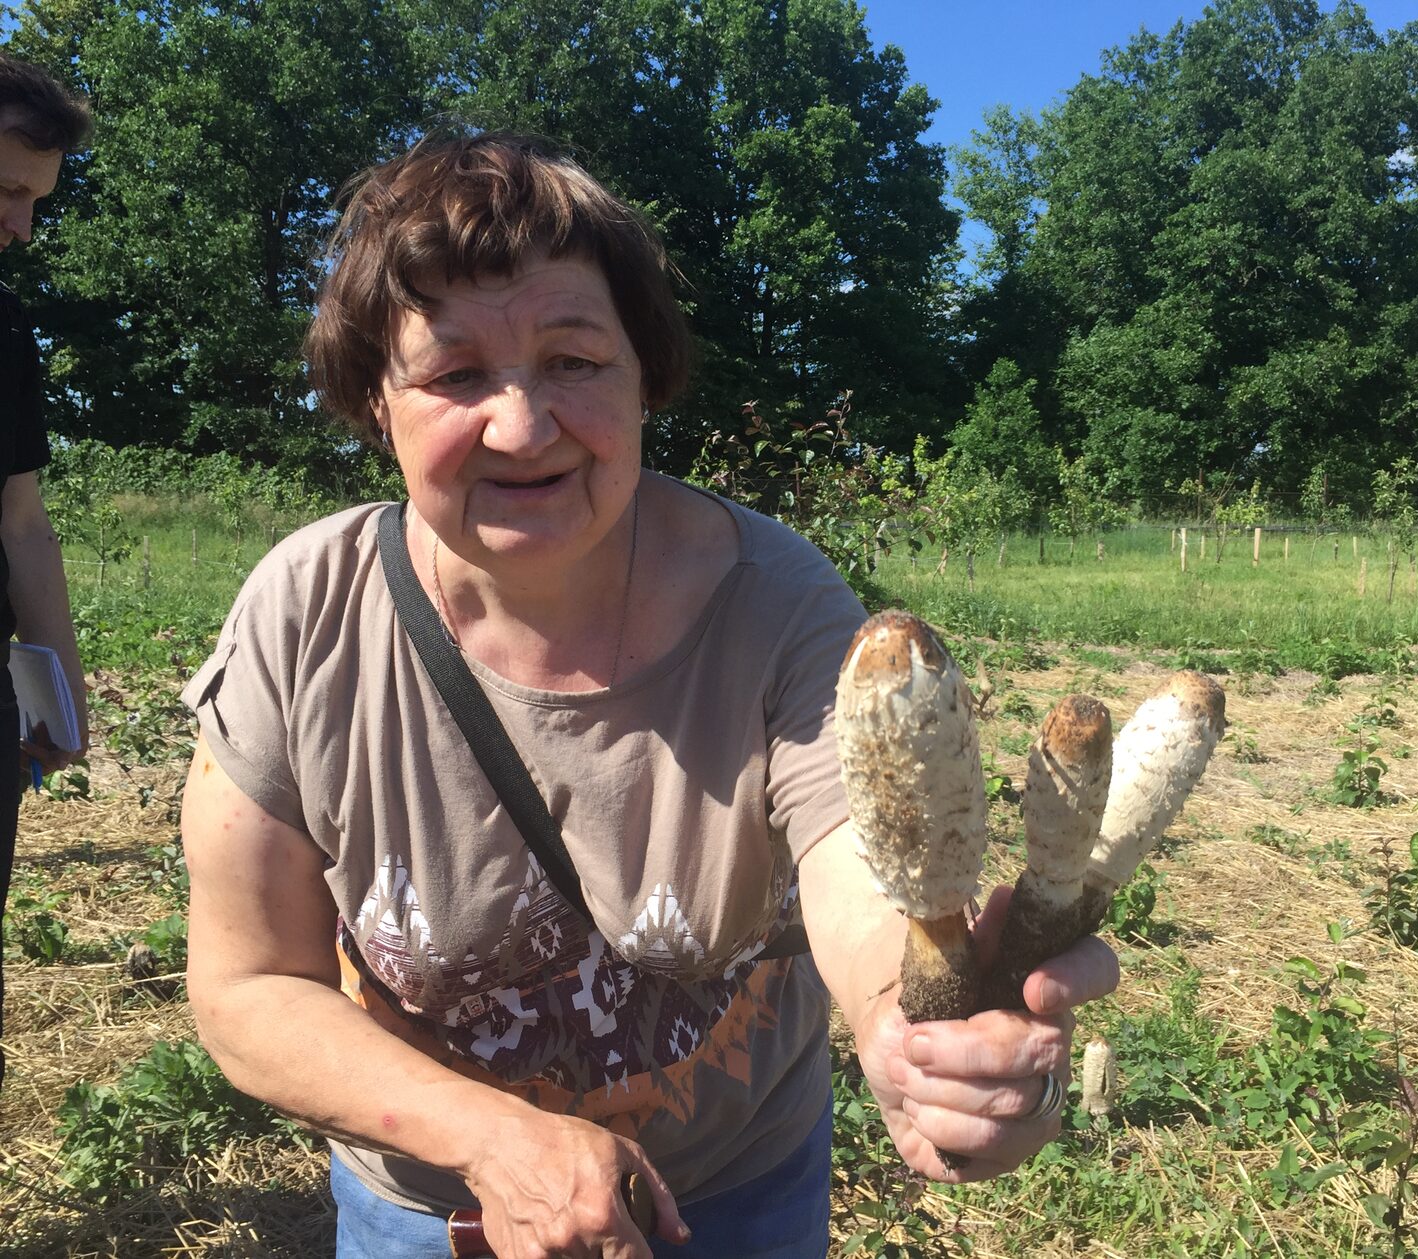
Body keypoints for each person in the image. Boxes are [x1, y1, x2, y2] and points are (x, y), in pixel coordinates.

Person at [181, 131, 1118, 1259]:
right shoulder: (304, 614)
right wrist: (490, 1136)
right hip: (430, 1210)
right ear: (377, 400)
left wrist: (912, 1033)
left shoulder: (778, 603)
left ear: (644, 376)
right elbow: (246, 983)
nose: (522, 425)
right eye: (456, 372)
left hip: (734, 1195)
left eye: (575, 361)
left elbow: (855, 867)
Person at [0, 52, 91, 1088]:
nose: (21, 227)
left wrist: (54, 700)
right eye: (7, 191)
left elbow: (20, 523)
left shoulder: (2, 334)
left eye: (36, 201)